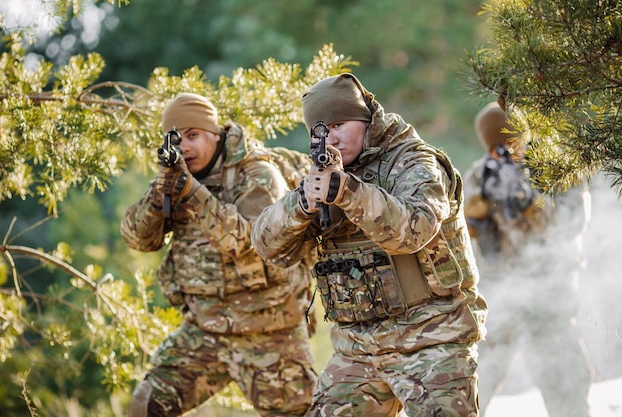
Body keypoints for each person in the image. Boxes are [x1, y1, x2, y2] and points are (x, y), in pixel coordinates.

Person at [251, 73, 487, 417]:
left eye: (338, 125)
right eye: (320, 131)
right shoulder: (323, 173)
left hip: (432, 338)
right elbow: (269, 248)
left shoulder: (414, 161)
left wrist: (347, 192)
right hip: (357, 348)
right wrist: (302, 203)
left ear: (365, 120)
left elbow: (415, 229)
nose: (331, 138)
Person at [121, 92, 317, 417]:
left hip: (268, 331)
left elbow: (249, 242)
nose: (184, 146)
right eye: (176, 138)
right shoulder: (178, 176)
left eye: (193, 135)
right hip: (205, 328)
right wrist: (159, 196)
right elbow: (139, 240)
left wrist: (191, 193)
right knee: (146, 406)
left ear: (215, 132)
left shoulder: (258, 173)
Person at [462, 101, 594, 417]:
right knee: (477, 377)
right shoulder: (481, 174)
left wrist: (530, 202)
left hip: (550, 289)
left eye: (511, 143)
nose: (506, 153)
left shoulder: (557, 165)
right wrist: (482, 203)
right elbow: (463, 229)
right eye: (496, 148)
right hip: (501, 291)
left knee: (563, 377)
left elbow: (573, 223)